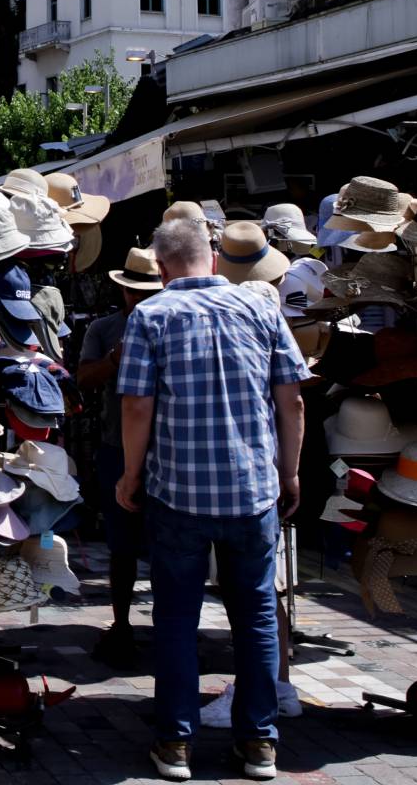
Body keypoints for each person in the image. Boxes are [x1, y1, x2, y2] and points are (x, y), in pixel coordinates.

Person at [116, 218, 309, 782]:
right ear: (215, 258)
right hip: (253, 491)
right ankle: (259, 746)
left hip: (178, 493)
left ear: (158, 266)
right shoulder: (261, 309)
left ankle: (175, 743)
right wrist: (290, 473)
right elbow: (292, 400)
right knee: (254, 617)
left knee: (177, 617)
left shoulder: (150, 316)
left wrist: (130, 476)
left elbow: (135, 407)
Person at [78, 248, 164, 669]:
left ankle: (169, 625)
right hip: (116, 444)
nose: (138, 299)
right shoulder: (105, 328)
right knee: (122, 544)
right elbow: (82, 378)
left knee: (168, 543)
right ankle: (122, 621)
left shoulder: (173, 323)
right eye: (132, 291)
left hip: (166, 449)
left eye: (146, 292)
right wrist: (115, 357)